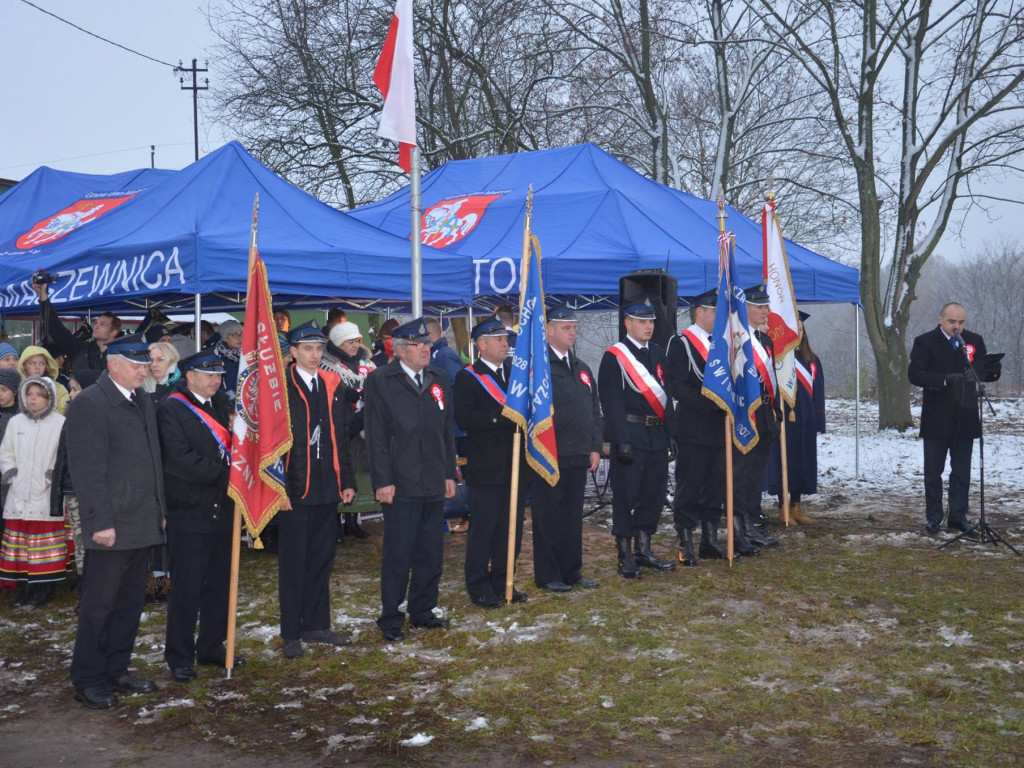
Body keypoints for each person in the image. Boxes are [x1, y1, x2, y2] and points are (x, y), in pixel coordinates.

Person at [67, 334, 165, 709]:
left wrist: (159, 511)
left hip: (142, 518)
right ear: (114, 365)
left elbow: (153, 460)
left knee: (129, 603)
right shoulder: (91, 403)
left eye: (146, 364)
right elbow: (87, 471)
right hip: (110, 524)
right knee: (98, 606)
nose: (145, 370)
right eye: (137, 364)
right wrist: (100, 521)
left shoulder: (141, 399)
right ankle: (88, 678)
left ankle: (116, 668)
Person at [363, 318, 457, 642]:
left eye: (427, 343)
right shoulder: (380, 381)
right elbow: (374, 436)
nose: (425, 349)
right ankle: (391, 616)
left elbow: (446, 430)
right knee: (399, 553)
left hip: (432, 478)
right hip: (400, 481)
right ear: (401, 350)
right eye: (418, 345)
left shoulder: (438, 378)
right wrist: (382, 480)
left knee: (431, 551)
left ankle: (423, 609)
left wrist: (449, 472)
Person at [158, 352, 239, 682]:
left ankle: (211, 646)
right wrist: (227, 474)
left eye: (219, 374)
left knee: (219, 585)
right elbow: (178, 459)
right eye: (208, 374)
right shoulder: (171, 408)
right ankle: (179, 655)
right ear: (189, 375)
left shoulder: (222, 405)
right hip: (189, 511)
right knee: (187, 588)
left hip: (223, 510)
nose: (215, 379)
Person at [278, 320, 356, 659]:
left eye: (319, 348)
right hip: (295, 486)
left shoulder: (331, 383)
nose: (315, 354)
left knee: (322, 559)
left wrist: (348, 480)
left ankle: (317, 624)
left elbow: (340, 435)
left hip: (327, 483)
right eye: (307, 348)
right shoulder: (281, 386)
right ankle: (291, 631)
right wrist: (277, 487)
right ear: (293, 352)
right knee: (295, 562)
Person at [598, 297, 676, 578]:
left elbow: (666, 398)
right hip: (631, 435)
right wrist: (621, 440)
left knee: (652, 495)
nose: (648, 326)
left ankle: (644, 549)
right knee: (626, 496)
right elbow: (612, 402)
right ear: (627, 323)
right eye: (642, 321)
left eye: (651, 321)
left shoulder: (657, 353)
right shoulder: (614, 357)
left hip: (655, 436)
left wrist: (671, 434)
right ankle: (625, 554)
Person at [454, 318, 529, 608]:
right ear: (481, 344)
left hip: (515, 463)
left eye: (506, 339)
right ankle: (478, 585)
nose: (505, 344)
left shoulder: (514, 374)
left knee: (510, 528)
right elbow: (465, 417)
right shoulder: (468, 377)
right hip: (487, 466)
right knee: (484, 528)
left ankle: (503, 579)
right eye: (498, 339)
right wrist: (501, 417)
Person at [908, 302, 999, 534]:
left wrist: (992, 370)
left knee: (961, 471)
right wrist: (944, 379)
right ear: (940, 319)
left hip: (965, 415)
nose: (957, 327)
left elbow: (981, 371)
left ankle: (958, 516)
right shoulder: (925, 341)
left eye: (961, 322)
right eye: (952, 322)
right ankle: (934, 517)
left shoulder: (974, 340)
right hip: (937, 417)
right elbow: (915, 374)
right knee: (933, 472)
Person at [529, 305, 602, 592]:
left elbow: (593, 409)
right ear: (549, 330)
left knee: (572, 515)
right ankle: (548, 574)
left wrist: (595, 446)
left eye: (573, 327)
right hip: (549, 454)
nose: (572, 332)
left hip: (578, 452)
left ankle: (572, 570)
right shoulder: (540, 368)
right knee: (549, 516)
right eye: (566, 327)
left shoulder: (581, 368)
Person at [665, 289, 729, 566]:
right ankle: (686, 540)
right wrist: (713, 404)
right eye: (714, 311)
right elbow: (677, 385)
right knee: (689, 485)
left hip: (719, 427)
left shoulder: (724, 344)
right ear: (699, 312)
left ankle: (710, 539)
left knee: (716, 485)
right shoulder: (681, 343)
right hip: (693, 426)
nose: (718, 316)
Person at [0, 376, 67, 607]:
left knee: (42, 543)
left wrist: (51, 476)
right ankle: (26, 585)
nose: (34, 399)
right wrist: (12, 473)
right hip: (19, 492)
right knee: (22, 544)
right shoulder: (16, 423)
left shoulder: (59, 423)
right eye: (30, 395)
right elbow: (6, 451)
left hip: (45, 493)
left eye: (39, 395)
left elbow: (63, 453)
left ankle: (45, 586)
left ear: (49, 398)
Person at [732, 285, 781, 555]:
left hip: (763, 414)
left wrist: (775, 412)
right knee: (741, 473)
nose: (766, 312)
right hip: (744, 415)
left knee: (755, 475)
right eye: (760, 307)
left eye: (766, 306)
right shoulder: (736, 341)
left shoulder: (765, 342)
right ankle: (738, 529)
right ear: (745, 308)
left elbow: (769, 380)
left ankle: (751, 523)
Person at [764, 315, 824, 525]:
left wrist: (818, 421)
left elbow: (818, 393)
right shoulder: (776, 359)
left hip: (805, 420)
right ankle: (783, 507)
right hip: (782, 418)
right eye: (792, 326)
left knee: (802, 462)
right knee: (782, 461)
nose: (796, 330)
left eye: (799, 327)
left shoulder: (812, 361)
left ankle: (797, 506)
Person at [322, 320, 376, 540]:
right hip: (338, 427)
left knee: (359, 473)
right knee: (339, 472)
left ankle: (353, 521)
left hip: (363, 429)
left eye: (357, 341)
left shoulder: (367, 365)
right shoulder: (326, 366)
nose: (355, 345)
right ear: (338, 343)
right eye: (349, 342)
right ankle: (335, 523)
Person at [51, 369, 101, 584]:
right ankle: (84, 584)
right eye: (70, 389)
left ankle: (97, 584)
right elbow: (62, 456)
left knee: (97, 540)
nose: (71, 395)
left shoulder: (100, 417)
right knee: (80, 540)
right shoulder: (70, 416)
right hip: (73, 488)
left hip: (96, 488)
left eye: (75, 389)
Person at [426, 317, 469, 533]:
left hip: (453, 428)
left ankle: (465, 514)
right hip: (447, 427)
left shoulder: (444, 356)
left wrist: (450, 422)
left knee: (459, 474)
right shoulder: (438, 355)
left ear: (432, 336)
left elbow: (454, 389)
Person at [32, 280, 121, 372]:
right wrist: (43, 298)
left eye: (102, 324)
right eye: (96, 323)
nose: (96, 326)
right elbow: (57, 329)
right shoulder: (82, 349)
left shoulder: (121, 355)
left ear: (114, 332)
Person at [0, 368, 20, 556]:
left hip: (14, 481)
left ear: (14, 391)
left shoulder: (22, 417)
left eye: (4, 389)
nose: (0, 393)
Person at [17, 345, 71, 414]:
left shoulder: (59, 388)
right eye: (32, 363)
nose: (37, 367)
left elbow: (63, 411)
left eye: (42, 364)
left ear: (47, 366)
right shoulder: (16, 388)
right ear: (23, 365)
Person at [213, 319, 243, 399]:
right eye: (235, 335)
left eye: (241, 334)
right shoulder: (216, 356)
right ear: (225, 338)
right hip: (226, 403)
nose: (239, 338)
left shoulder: (247, 355)